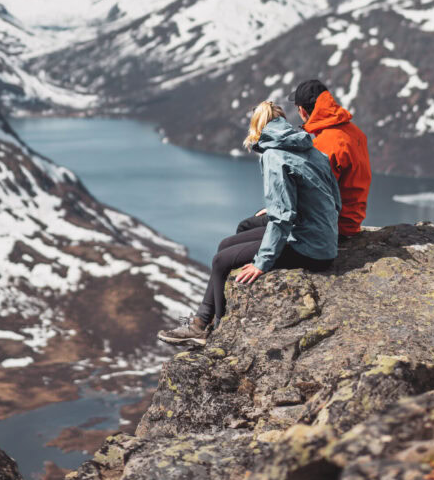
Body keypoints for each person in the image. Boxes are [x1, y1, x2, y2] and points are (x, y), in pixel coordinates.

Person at [158, 101, 341, 347]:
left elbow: (282, 216)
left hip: (310, 249)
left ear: (258, 127)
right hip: (323, 240)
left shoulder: (273, 155)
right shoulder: (312, 148)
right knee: (226, 244)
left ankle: (210, 329)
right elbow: (335, 199)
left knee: (221, 260)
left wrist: (262, 263)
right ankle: (202, 322)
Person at [237, 78, 371, 240]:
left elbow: (314, 195)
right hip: (352, 219)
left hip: (334, 225)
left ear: (302, 111)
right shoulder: (354, 132)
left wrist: (277, 209)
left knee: (246, 227)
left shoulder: (325, 143)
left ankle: (262, 263)